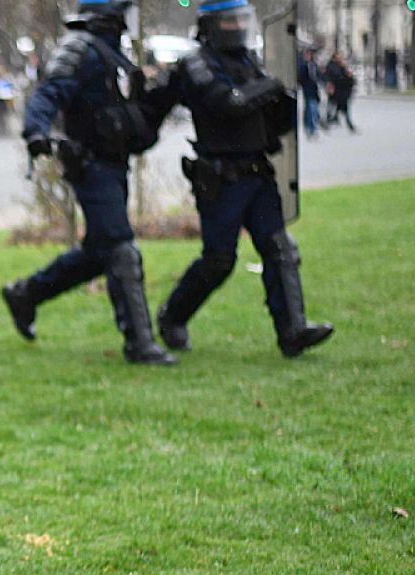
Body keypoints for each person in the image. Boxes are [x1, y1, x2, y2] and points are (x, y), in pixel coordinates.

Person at [143, 0, 334, 358]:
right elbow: (227, 102)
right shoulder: (195, 63)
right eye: (230, 20)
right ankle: (173, 315)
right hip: (220, 180)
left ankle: (293, 331)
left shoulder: (247, 61)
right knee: (219, 261)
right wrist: (272, 87)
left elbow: (270, 112)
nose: (238, 26)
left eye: (241, 19)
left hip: (257, 174)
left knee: (278, 248)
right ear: (212, 24)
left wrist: (283, 102)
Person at [0, 0, 176, 365]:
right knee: (121, 248)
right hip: (91, 165)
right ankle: (140, 344)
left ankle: (26, 294)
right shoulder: (79, 47)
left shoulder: (112, 52)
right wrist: (36, 131)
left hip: (113, 164)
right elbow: (49, 92)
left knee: (100, 252)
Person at [324, 52, 357, 132]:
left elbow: (347, 79)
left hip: (341, 93)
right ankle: (331, 121)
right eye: (339, 57)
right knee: (338, 108)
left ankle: (334, 120)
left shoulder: (341, 67)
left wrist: (350, 77)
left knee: (340, 109)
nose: (341, 59)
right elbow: (337, 79)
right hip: (338, 93)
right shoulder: (333, 66)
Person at [296, 47, 321, 138]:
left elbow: (317, 76)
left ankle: (311, 127)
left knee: (312, 109)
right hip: (307, 90)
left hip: (313, 90)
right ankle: (311, 128)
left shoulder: (313, 65)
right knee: (310, 109)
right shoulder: (303, 65)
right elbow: (301, 77)